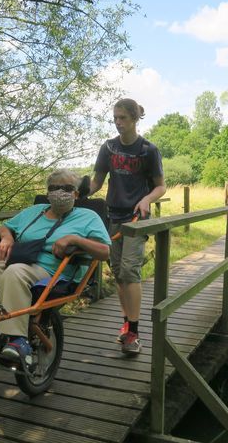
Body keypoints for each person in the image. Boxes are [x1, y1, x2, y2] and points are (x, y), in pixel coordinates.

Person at [0, 169, 111, 364]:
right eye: (54, 188)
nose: (59, 192)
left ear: (76, 193)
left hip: (54, 269)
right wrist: (7, 237)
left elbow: (104, 251)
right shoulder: (34, 211)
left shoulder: (88, 216)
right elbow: (5, 226)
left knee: (14, 272)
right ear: (48, 192)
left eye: (66, 188)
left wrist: (74, 239)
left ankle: (17, 340)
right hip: (22, 256)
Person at [89, 98, 165, 355]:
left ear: (134, 119)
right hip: (113, 216)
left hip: (136, 219)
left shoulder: (148, 150)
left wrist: (146, 199)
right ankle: (126, 325)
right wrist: (73, 192)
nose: (118, 123)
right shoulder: (108, 148)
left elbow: (160, 186)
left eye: (123, 118)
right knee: (119, 273)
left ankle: (134, 332)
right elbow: (96, 183)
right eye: (115, 118)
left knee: (131, 271)